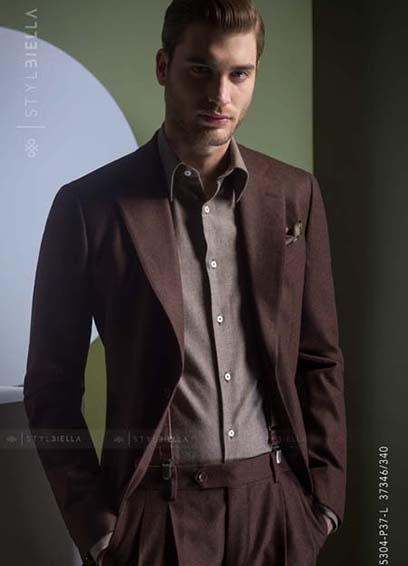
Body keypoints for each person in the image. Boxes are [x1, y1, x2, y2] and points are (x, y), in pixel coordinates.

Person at [23, 1, 347, 565]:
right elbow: (51, 386)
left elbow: (319, 359)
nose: (221, 94)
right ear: (163, 66)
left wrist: (324, 503)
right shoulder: (89, 207)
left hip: (276, 510)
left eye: (239, 74)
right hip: (152, 517)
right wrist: (97, 528)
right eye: (201, 69)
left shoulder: (296, 196)